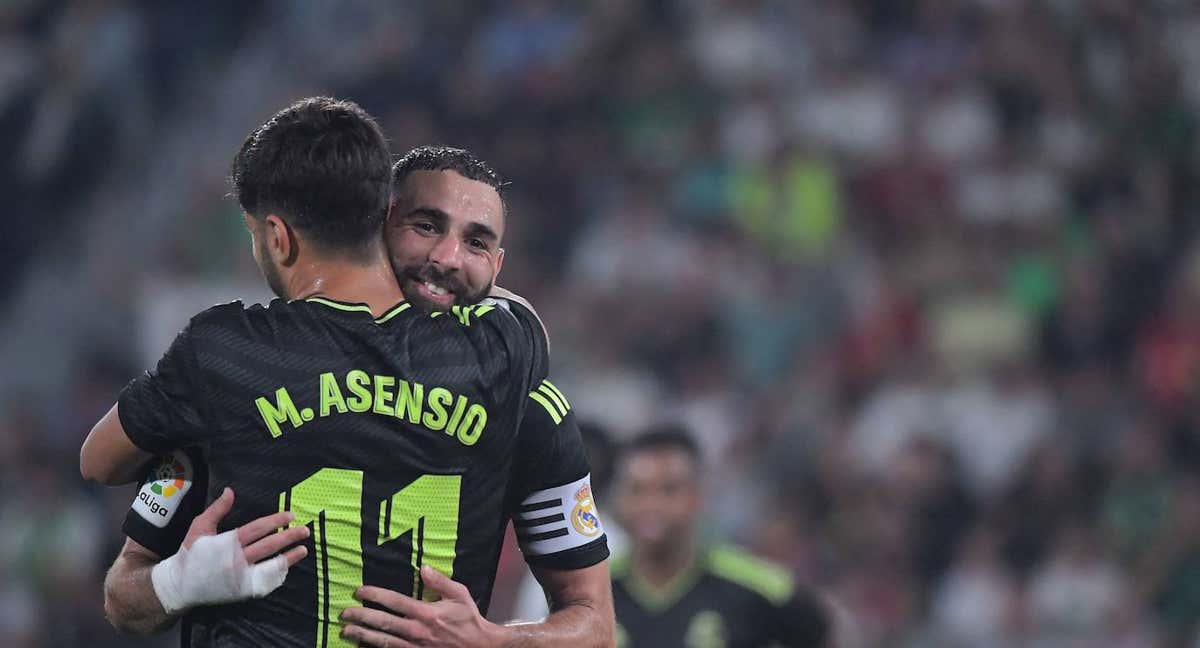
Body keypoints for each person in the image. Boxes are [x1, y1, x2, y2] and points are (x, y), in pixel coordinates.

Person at [80, 102, 612, 647]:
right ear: (379, 219)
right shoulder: (508, 358)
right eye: (427, 226)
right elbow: (125, 598)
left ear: (276, 236)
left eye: (475, 243)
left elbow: (98, 465)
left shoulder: (223, 362)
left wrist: (179, 582)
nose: (448, 258)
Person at [612, 424, 833, 647]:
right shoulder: (591, 590)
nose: (651, 505)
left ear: (698, 496)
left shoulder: (759, 588)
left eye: (669, 490)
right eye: (636, 490)